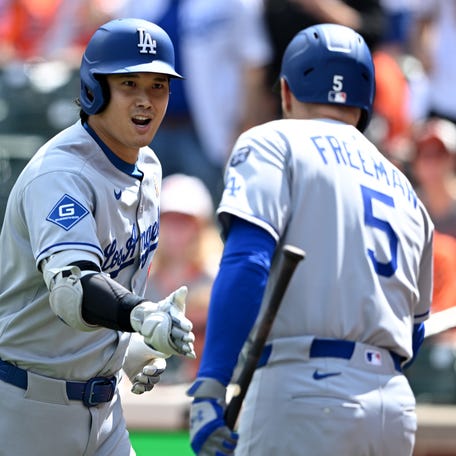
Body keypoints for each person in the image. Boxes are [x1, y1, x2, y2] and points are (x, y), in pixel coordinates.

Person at [187, 23, 434, 456]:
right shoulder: (404, 188)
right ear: (364, 104)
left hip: (303, 392)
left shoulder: (272, 141)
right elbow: (414, 332)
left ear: (286, 91)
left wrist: (212, 383)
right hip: (391, 409)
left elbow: (248, 261)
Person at [0, 18, 196, 456]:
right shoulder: (60, 174)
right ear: (94, 89)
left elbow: (116, 281)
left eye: (159, 85)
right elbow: (73, 291)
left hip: (106, 413)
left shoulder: (149, 166)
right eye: (129, 83)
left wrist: (128, 349)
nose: (147, 100)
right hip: (26, 409)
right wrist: (142, 315)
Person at [145, 173, 222, 383]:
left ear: (201, 228)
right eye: (169, 221)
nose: (175, 232)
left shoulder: (217, 279)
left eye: (184, 222)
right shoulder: (142, 280)